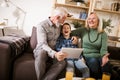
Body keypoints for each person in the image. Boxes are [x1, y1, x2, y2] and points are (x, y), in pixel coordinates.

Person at [33, 7, 78, 80]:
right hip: (42, 50)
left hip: (54, 50)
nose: (64, 21)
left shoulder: (59, 26)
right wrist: (54, 54)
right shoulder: (41, 25)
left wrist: (74, 37)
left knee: (62, 62)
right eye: (63, 18)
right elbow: (42, 44)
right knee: (41, 54)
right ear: (57, 17)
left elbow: (68, 32)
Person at [71, 12, 111, 79]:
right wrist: (75, 36)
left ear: (98, 21)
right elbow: (69, 32)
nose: (91, 20)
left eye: (93, 18)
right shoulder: (83, 30)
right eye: (89, 19)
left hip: (99, 55)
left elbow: (103, 48)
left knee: (106, 64)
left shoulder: (103, 33)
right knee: (93, 61)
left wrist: (104, 56)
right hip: (87, 55)